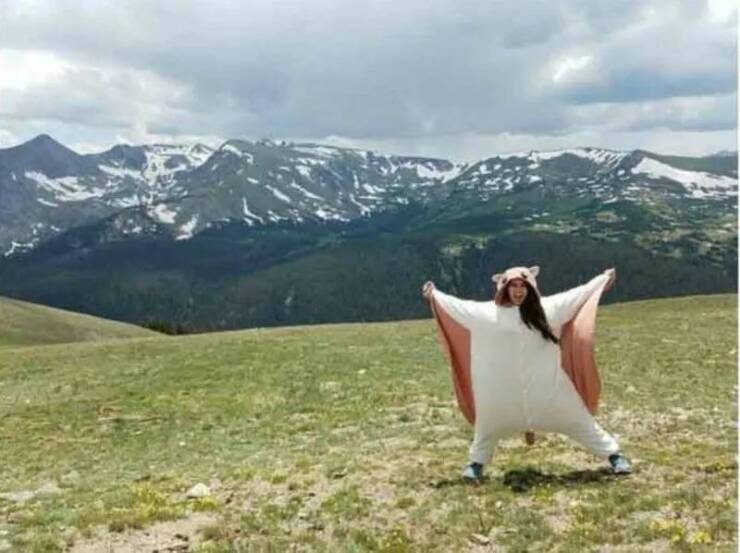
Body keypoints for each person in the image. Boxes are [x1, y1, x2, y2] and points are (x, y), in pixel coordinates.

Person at [422, 265, 632, 481]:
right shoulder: (485, 314)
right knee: (487, 429)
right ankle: (476, 463)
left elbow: (577, 295)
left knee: (580, 421)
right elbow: (457, 306)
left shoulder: (549, 310)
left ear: (531, 287)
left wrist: (601, 281)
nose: (518, 290)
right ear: (504, 288)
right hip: (502, 397)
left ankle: (614, 456)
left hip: (548, 392)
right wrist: (435, 296)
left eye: (523, 285)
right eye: (513, 285)